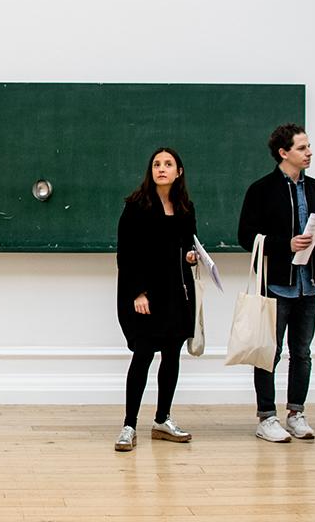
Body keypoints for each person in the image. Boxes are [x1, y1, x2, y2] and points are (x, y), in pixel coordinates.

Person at [238, 123, 315, 443]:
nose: (309, 153)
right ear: (283, 152)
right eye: (302, 148)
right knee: (269, 352)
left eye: (308, 146)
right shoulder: (261, 189)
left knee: (302, 352)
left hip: (310, 285)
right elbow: (245, 236)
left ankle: (296, 414)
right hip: (278, 285)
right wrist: (285, 245)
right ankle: (266, 417)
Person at [114, 147, 198, 452]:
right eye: (157, 164)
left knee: (172, 356)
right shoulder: (136, 206)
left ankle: (163, 419)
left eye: (168, 164)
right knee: (143, 355)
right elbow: (126, 253)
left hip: (177, 292)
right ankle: (129, 425)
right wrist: (138, 292)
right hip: (146, 295)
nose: (161, 168)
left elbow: (188, 245)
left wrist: (191, 256)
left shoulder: (185, 207)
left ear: (179, 172)